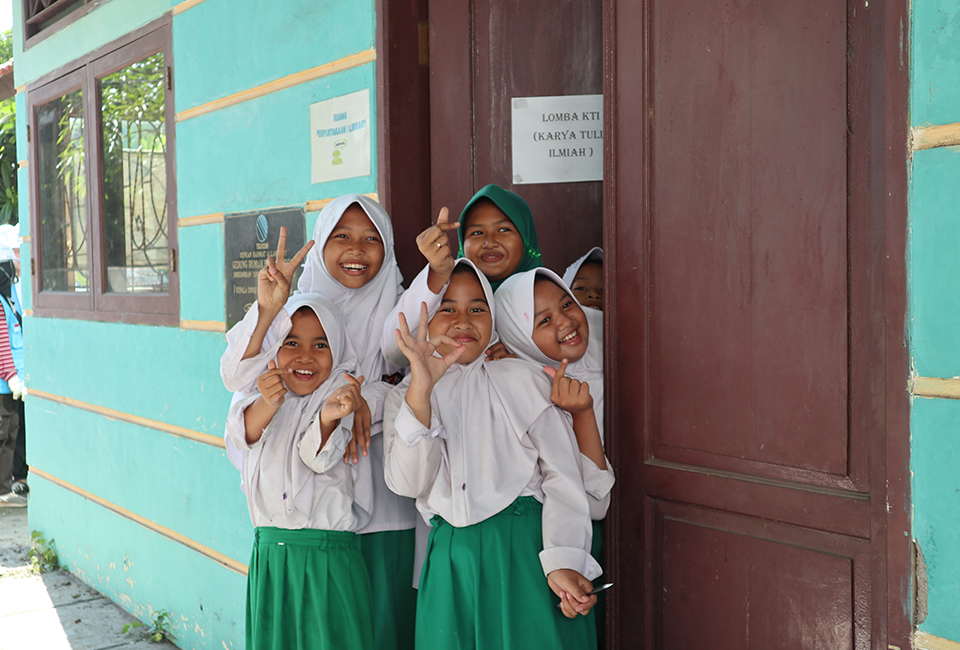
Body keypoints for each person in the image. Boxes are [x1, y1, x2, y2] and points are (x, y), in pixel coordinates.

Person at [221, 196, 418, 650]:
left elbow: (422, 381)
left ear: (388, 248)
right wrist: (269, 309)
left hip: (381, 513)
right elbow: (239, 393)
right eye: (341, 236)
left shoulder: (402, 311)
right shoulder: (279, 345)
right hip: (292, 538)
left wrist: (361, 397)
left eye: (372, 238)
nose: (356, 249)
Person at [383, 259, 600, 649]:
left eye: (477, 309)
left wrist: (563, 559)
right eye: (447, 308)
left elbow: (563, 478)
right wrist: (422, 390)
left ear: (494, 318)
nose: (463, 320)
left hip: (525, 553)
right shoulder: (405, 397)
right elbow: (409, 482)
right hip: (452, 561)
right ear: (425, 318)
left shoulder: (522, 379)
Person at [224, 291, 374, 650]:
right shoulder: (253, 395)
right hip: (273, 557)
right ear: (274, 348)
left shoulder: (339, 397)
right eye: (291, 342)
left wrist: (327, 417)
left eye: (321, 344)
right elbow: (244, 434)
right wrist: (268, 401)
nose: (305, 356)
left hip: (327, 557)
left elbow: (318, 458)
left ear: (337, 351)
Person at [494, 267, 613, 644]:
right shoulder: (517, 390)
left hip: (577, 550)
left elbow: (596, 500)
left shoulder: (601, 368)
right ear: (515, 335)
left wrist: (582, 413)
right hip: (537, 552)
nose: (565, 321)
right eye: (543, 320)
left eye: (567, 304)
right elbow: (594, 499)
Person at [380, 184, 542, 368]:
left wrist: (520, 361)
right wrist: (438, 272)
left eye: (504, 230)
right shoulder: (443, 284)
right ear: (462, 243)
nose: (489, 242)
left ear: (526, 235)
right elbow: (393, 351)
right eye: (477, 233)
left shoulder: (549, 295)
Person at [0, 242, 27, 507]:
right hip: (4, 384)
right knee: (4, 434)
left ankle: (5, 488)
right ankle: (2, 490)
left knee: (11, 433)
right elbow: (1, 342)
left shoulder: (8, 297)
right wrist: (10, 375)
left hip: (12, 383)